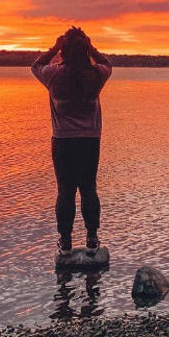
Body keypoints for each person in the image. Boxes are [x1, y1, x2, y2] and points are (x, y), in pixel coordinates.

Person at [31, 26, 112, 257]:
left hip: (63, 142)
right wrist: (91, 47)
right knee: (88, 189)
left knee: (65, 191)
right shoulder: (97, 74)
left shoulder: (53, 74)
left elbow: (35, 66)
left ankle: (65, 244)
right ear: (85, 49)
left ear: (64, 50)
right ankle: (92, 240)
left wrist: (54, 47)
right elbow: (107, 63)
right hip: (89, 141)